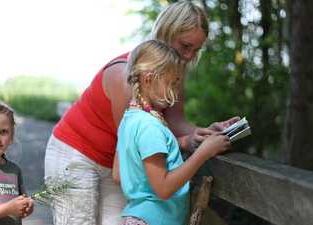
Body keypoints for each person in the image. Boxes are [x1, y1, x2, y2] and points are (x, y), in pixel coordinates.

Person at [44, 1, 238, 225]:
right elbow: (140, 141)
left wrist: (204, 133)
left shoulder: (171, 75)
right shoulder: (128, 77)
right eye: (185, 46)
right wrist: (196, 148)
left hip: (117, 165)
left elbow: (174, 122)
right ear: (165, 33)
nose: (188, 57)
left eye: (196, 50)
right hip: (77, 154)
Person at [114, 39, 231, 225]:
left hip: (136, 217)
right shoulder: (150, 127)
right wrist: (203, 153)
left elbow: (118, 175)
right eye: (171, 82)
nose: (176, 90)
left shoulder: (129, 119)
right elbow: (163, 189)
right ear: (148, 79)